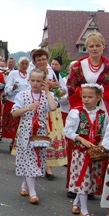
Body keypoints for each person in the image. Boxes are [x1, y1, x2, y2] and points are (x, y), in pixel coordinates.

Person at [11, 68, 58, 204]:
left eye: (38, 81)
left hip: (41, 134)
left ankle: (25, 185)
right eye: (33, 80)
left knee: (37, 161)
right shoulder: (23, 95)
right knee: (30, 160)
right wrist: (27, 108)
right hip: (27, 133)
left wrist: (48, 91)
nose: (35, 83)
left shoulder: (46, 95)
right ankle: (33, 193)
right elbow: (14, 113)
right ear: (29, 80)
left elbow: (53, 107)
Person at [64, 84, 108, 216]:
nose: (86, 100)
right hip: (81, 152)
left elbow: (106, 132)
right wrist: (80, 138)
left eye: (90, 97)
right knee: (83, 178)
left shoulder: (102, 114)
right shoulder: (76, 112)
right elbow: (67, 131)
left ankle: (76, 203)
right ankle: (84, 210)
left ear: (98, 97)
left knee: (89, 178)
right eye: (84, 97)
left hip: (95, 152)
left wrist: (101, 144)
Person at [30, 49, 67, 179]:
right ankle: (34, 163)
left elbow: (63, 89)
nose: (42, 62)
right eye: (39, 60)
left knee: (51, 136)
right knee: (37, 135)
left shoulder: (53, 72)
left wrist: (55, 88)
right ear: (34, 62)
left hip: (52, 107)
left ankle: (49, 166)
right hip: (37, 107)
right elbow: (29, 88)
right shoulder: (33, 72)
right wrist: (48, 86)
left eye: (44, 59)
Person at [67, 33, 109, 118]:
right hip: (83, 105)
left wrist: (98, 96)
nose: (95, 49)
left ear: (103, 47)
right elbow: (71, 88)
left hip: (104, 108)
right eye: (91, 46)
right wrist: (87, 95)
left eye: (98, 45)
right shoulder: (78, 66)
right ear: (87, 48)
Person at [3, 57, 30, 146]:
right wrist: (13, 88)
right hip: (13, 101)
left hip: (25, 103)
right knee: (13, 124)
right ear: (18, 64)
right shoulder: (13, 74)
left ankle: (19, 141)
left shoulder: (29, 75)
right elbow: (7, 88)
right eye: (22, 63)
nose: (24, 66)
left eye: (26, 64)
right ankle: (12, 142)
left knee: (22, 124)